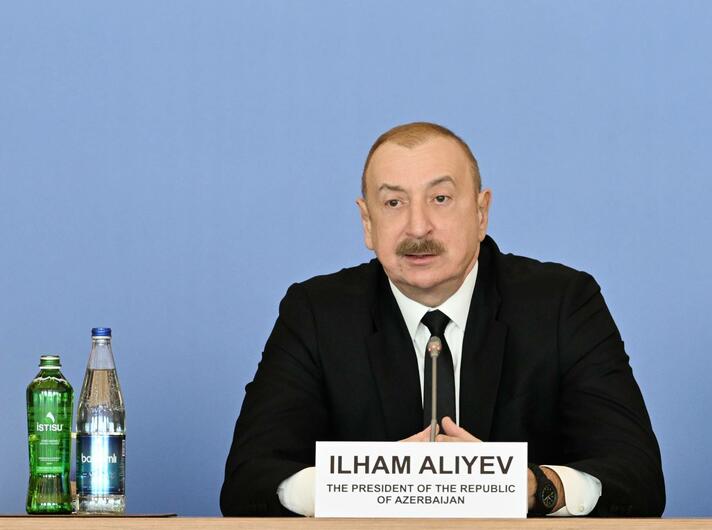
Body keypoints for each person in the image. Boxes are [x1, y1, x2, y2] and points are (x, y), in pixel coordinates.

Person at [221, 122, 665, 517]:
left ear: (481, 212)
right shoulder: (317, 313)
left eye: (440, 198)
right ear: (368, 223)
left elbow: (637, 478)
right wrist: (367, 484)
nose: (418, 227)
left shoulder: (562, 304)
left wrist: (531, 486)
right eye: (393, 202)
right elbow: (249, 482)